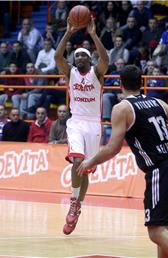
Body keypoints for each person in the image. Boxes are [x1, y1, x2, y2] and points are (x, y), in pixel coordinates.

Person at [77, 65, 168, 258]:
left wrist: (90, 161)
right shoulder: (158, 102)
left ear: (120, 84)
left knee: (155, 231)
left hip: (158, 170)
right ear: (141, 82)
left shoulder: (121, 108)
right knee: (165, 226)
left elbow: (113, 148)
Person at [54, 16, 109, 235]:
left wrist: (94, 34)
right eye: (75, 56)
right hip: (76, 122)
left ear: (88, 59)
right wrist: (68, 32)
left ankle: (78, 206)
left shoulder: (97, 73)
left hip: (93, 125)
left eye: (81, 56)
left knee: (84, 169)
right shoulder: (71, 73)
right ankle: (73, 202)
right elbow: (58, 56)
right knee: (77, 160)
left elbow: (105, 59)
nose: (77, 58)